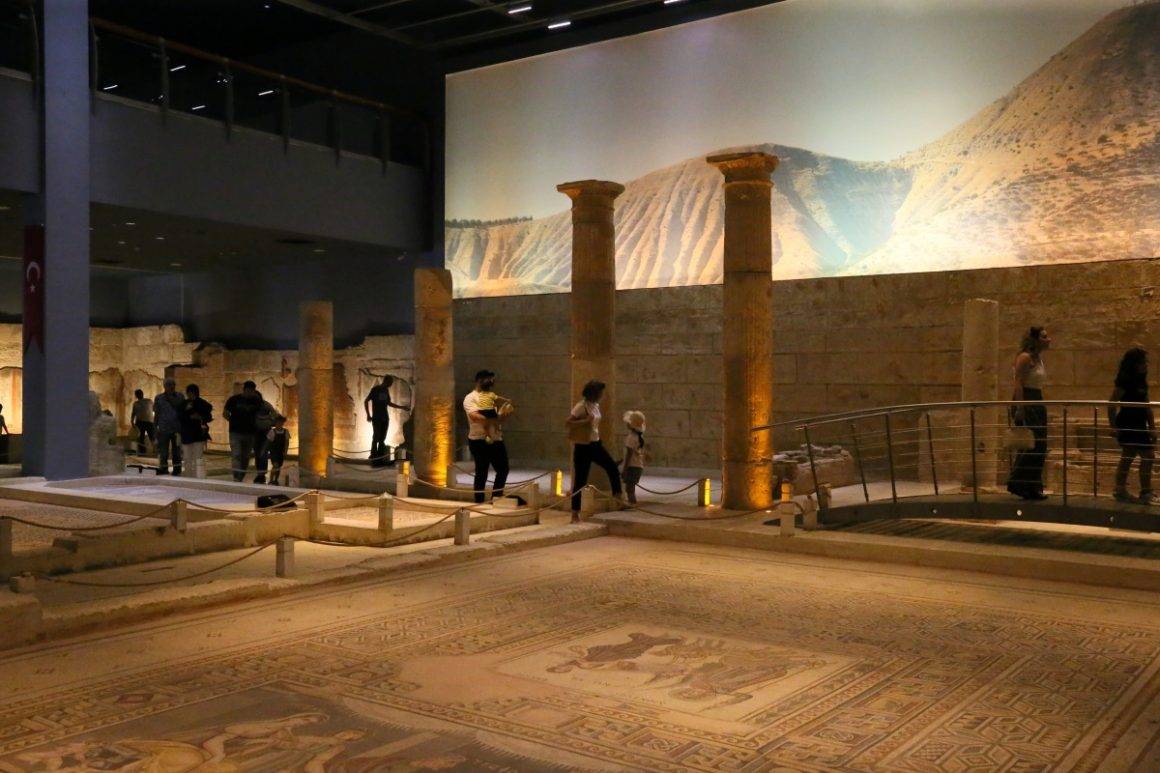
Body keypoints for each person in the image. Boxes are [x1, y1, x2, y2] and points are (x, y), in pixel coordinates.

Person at [566, 380, 623, 521]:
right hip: (583, 446)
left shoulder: (596, 405)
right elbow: (568, 423)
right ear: (594, 393)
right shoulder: (581, 406)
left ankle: (618, 496)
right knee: (580, 480)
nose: (602, 395)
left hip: (596, 444)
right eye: (600, 392)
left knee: (612, 466)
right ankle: (575, 512)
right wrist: (585, 421)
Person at [1007, 326, 1051, 500]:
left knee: (1040, 444)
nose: (1048, 339)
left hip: (1037, 400)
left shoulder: (1038, 358)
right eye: (1044, 337)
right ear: (1034, 339)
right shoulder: (1025, 357)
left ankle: (1032, 486)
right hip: (1026, 400)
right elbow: (1018, 383)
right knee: (1033, 444)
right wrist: (1020, 407)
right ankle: (1017, 483)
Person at [1109, 347, 1157, 505]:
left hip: (1140, 423)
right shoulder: (1125, 381)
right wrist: (1113, 426)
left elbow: (1147, 405)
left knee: (1129, 455)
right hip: (1128, 423)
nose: (1145, 365)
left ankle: (1121, 489)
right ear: (1134, 364)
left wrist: (1152, 426)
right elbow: (1112, 404)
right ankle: (1143, 491)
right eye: (1142, 362)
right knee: (1146, 455)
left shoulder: (1141, 380)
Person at [463, 369, 512, 504]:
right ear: (479, 381)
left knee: (503, 469)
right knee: (482, 471)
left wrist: (503, 415)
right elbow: (475, 417)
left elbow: (495, 420)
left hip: (495, 438)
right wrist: (495, 419)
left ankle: (496, 499)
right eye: (489, 380)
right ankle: (479, 502)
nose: (491, 383)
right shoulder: (470, 398)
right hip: (479, 440)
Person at [223, 381, 262, 482]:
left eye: (252, 391)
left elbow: (261, 413)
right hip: (235, 432)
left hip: (250, 433)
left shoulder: (256, 401)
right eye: (248, 390)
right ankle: (236, 477)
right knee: (236, 455)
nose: (250, 392)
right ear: (244, 389)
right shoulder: (234, 399)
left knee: (245, 457)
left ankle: (240, 477)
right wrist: (233, 421)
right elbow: (225, 413)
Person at [365, 375, 404, 467]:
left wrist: (401, 407)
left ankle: (380, 459)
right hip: (377, 418)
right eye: (390, 383)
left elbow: (389, 403)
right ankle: (374, 458)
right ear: (386, 381)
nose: (391, 385)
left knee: (382, 439)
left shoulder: (386, 390)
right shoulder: (375, 389)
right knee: (376, 438)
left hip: (385, 418)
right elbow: (366, 401)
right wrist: (368, 415)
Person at [178, 384, 213, 478]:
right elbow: (179, 416)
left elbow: (209, 416)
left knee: (198, 457)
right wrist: (188, 415)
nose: (190, 394)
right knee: (187, 457)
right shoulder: (184, 403)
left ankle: (198, 476)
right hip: (186, 433)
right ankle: (188, 476)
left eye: (192, 392)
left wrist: (200, 417)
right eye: (189, 392)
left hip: (198, 434)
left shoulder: (202, 403)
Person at [153, 378, 185, 476]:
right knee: (163, 451)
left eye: (172, 384)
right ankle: (163, 468)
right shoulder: (159, 398)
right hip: (164, 428)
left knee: (176, 452)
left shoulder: (180, 396)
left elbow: (183, 411)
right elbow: (157, 414)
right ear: (164, 386)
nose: (171, 387)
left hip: (177, 428)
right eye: (169, 385)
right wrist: (155, 428)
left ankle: (177, 469)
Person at [621, 410, 647, 505]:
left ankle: (632, 505)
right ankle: (632, 503)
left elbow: (629, 454)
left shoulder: (631, 437)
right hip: (638, 466)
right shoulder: (639, 437)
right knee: (630, 489)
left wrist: (624, 469)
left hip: (632, 466)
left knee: (629, 489)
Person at [252, 393, 278, 484]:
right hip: (255, 432)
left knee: (263, 453)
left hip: (265, 432)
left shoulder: (266, 405)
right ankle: (259, 473)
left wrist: (268, 419)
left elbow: (275, 414)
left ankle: (261, 474)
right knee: (257, 453)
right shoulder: (252, 406)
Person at [266, 414, 291, 485]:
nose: (279, 424)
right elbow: (268, 442)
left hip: (281, 452)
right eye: (278, 422)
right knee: (275, 465)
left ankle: (276, 480)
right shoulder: (272, 431)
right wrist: (267, 451)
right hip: (274, 452)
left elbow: (286, 443)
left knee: (279, 466)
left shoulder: (286, 431)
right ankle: (271, 480)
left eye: (281, 422)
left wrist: (285, 451)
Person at [130, 389, 155, 454]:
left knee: (147, 437)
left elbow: (133, 413)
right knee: (147, 437)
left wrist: (132, 422)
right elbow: (133, 413)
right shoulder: (148, 401)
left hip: (144, 421)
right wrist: (132, 421)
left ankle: (146, 451)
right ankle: (147, 451)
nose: (139, 395)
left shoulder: (147, 401)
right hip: (145, 421)